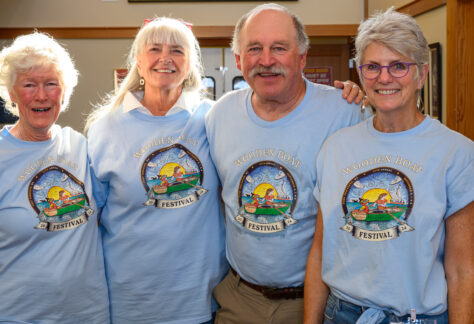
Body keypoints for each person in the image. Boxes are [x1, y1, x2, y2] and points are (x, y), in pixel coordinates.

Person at [304, 8, 473, 324]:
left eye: (398, 66)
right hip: (341, 314)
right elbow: (318, 252)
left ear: (421, 74)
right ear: (361, 74)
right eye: (372, 67)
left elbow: (463, 271)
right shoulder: (335, 148)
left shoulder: (457, 153)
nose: (384, 78)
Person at [205, 3, 369, 323]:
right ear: (239, 59)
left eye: (279, 48)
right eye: (255, 48)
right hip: (239, 298)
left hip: (316, 299)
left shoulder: (346, 112)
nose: (267, 61)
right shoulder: (217, 116)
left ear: (302, 57)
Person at [85, 17, 228, 324]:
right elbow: (90, 219)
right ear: (138, 60)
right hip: (128, 299)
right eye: (154, 49)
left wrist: (347, 94)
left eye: (177, 50)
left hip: (200, 299)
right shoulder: (105, 127)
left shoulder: (213, 118)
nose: (165, 58)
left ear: (190, 64)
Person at [0, 32, 109, 323]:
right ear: (12, 93)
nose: (41, 95)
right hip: (17, 315)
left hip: (88, 314)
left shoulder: (82, 147)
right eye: (29, 85)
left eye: (51, 84)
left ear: (64, 92)